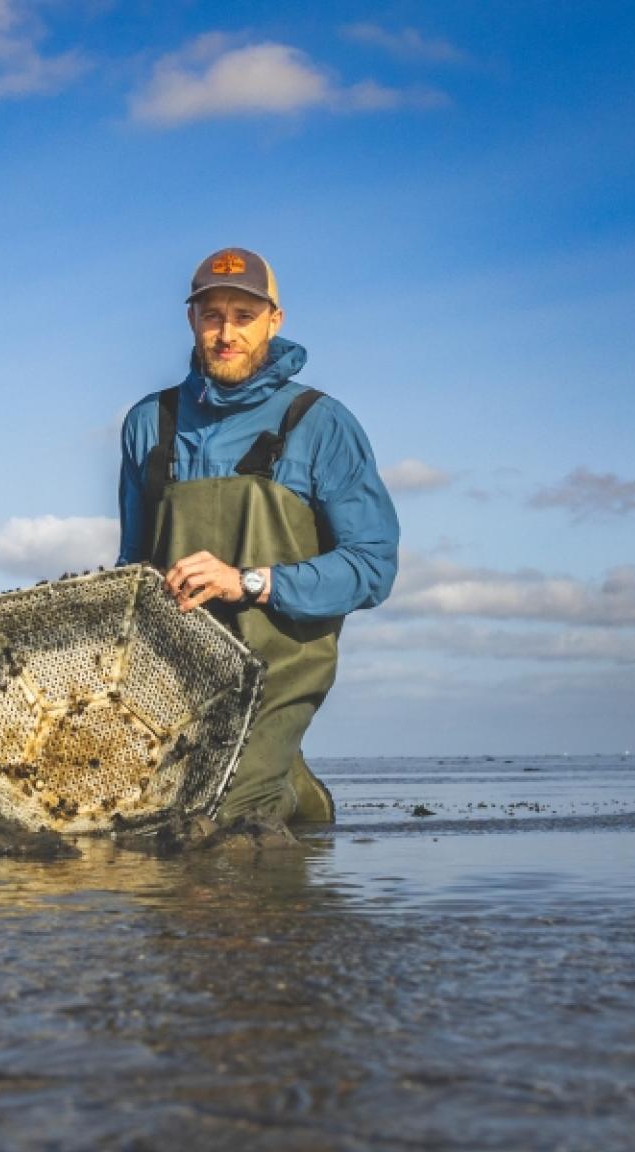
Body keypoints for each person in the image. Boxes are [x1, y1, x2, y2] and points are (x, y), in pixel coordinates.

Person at [117, 248, 399, 825]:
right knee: (126, 819)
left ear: (274, 320)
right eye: (212, 315)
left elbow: (372, 566)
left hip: (279, 670)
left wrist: (246, 581)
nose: (226, 333)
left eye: (244, 316)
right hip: (176, 674)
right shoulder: (149, 422)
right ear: (191, 320)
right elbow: (132, 566)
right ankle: (289, 781)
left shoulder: (320, 422)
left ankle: (280, 790)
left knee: (218, 819)